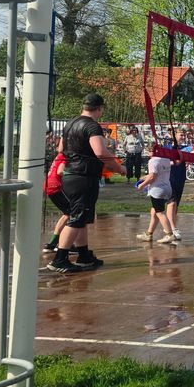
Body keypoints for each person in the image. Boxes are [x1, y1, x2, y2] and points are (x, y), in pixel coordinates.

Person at [48, 93, 126, 273]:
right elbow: (100, 152)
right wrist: (118, 167)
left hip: (70, 174)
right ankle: (59, 259)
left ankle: (83, 256)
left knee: (81, 217)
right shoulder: (92, 126)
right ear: (99, 108)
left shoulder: (71, 123)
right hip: (83, 175)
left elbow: (61, 149)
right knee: (76, 218)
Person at [137, 145, 178, 244]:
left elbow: (152, 177)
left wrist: (142, 185)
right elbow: (157, 173)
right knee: (154, 211)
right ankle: (149, 234)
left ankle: (169, 234)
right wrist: (144, 178)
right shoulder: (165, 159)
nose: (148, 154)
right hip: (167, 188)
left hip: (157, 190)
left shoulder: (153, 161)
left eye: (149, 151)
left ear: (152, 151)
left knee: (159, 212)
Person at [42, 151, 70, 254]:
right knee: (71, 213)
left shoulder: (60, 154)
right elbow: (60, 171)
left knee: (68, 213)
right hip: (55, 187)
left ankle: (54, 242)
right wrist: (74, 174)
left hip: (49, 185)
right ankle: (60, 243)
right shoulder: (66, 155)